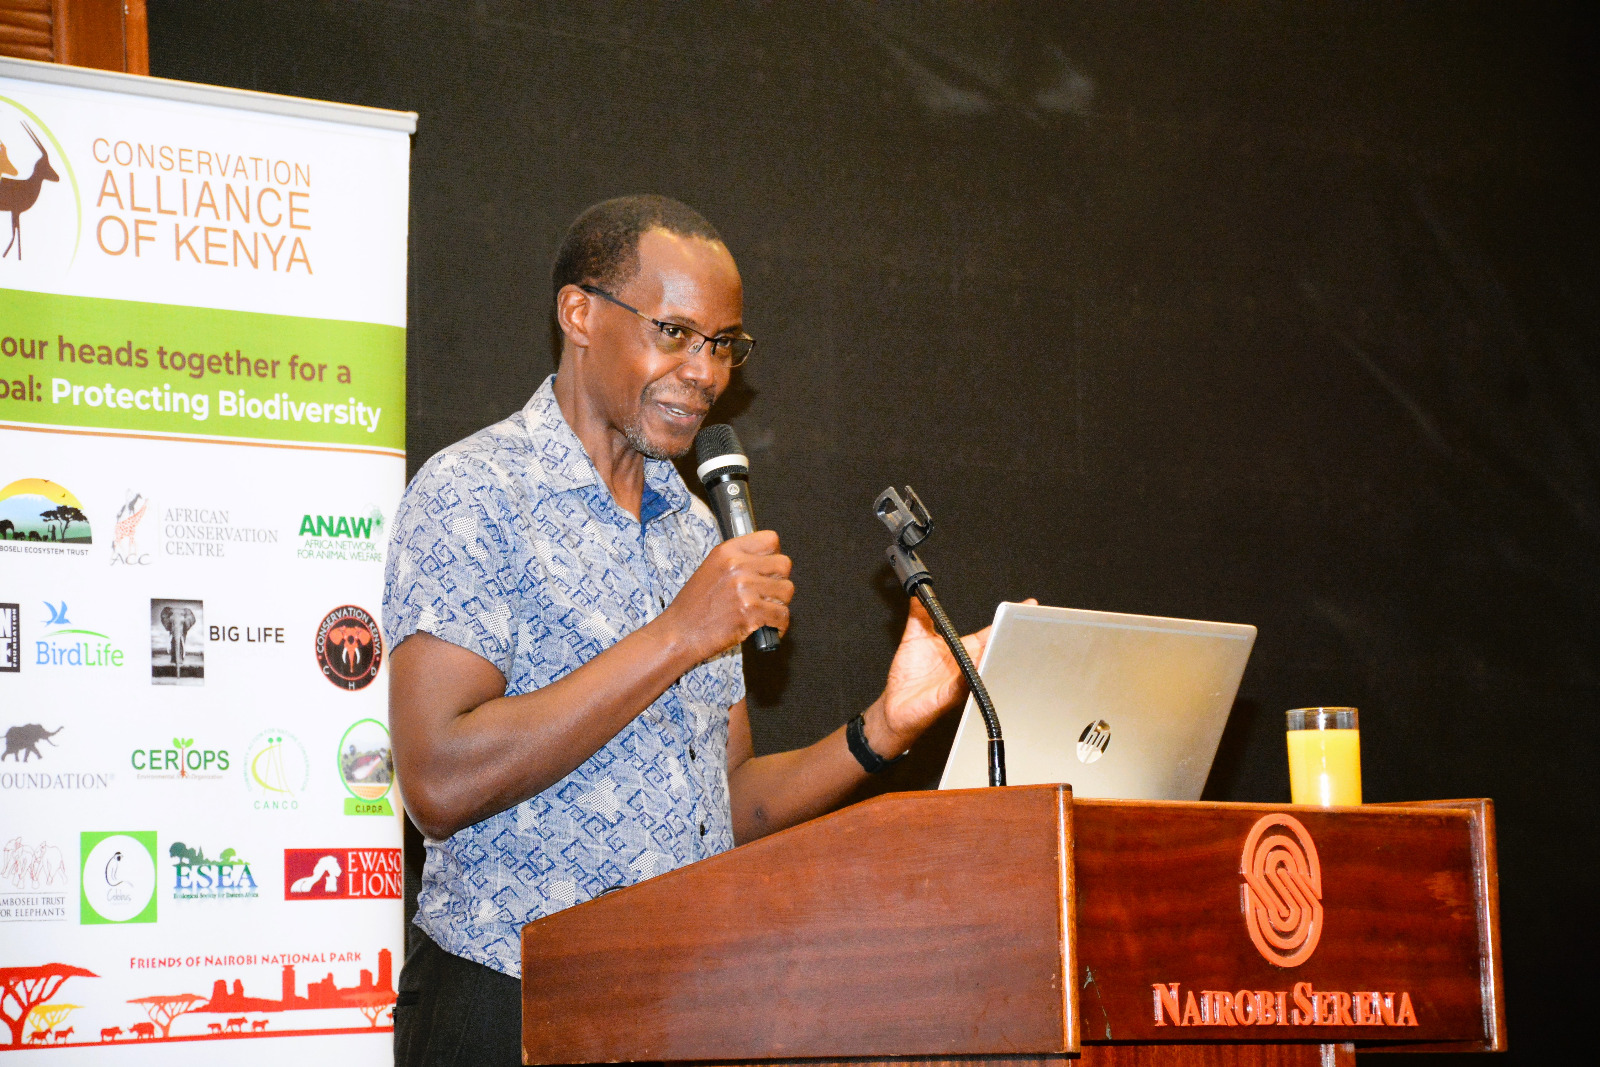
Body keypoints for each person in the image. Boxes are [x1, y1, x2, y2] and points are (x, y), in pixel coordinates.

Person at [384, 195, 996, 1066]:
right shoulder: (476, 494)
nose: (705, 372)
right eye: (675, 333)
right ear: (580, 313)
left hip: (680, 1006)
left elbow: (729, 800)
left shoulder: (690, 530)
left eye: (724, 345)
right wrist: (679, 633)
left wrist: (884, 725)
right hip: (511, 1006)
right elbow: (438, 779)